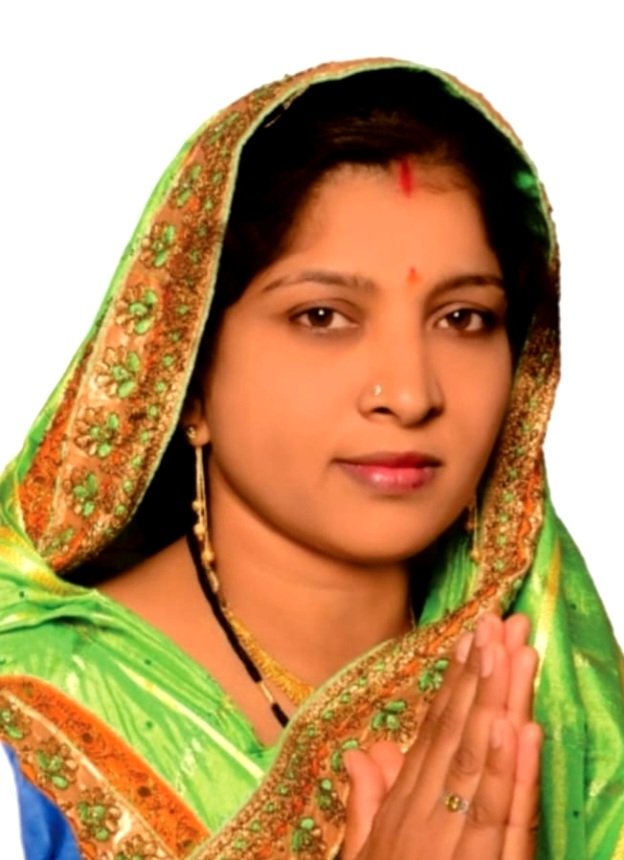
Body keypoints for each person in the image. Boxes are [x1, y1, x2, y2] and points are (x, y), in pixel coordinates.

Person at [0, 58, 622, 859]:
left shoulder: (567, 703)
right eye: (323, 316)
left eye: (463, 318)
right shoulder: (25, 731)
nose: (410, 393)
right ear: (183, 378)